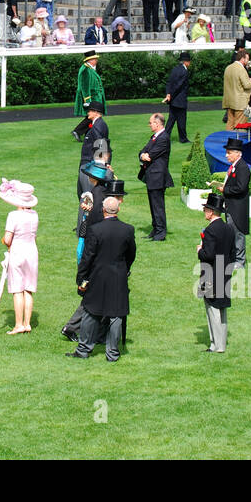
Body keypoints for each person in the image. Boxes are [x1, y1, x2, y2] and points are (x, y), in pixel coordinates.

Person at [67, 187, 136, 362]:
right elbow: (131, 254)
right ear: (118, 209)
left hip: (98, 275)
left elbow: (87, 257)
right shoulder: (127, 230)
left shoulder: (95, 230)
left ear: (103, 210)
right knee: (116, 315)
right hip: (118, 276)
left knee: (91, 312)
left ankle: (83, 350)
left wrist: (81, 277)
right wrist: (124, 268)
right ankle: (112, 353)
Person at [0, 178, 39, 335]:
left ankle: (18, 324)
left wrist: (4, 241)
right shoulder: (34, 215)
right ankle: (27, 323)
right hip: (32, 252)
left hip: (18, 252)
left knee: (17, 289)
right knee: (28, 289)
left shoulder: (13, 215)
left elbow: (7, 239)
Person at [197, 192, 236, 353]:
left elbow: (208, 255)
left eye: (206, 209)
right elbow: (233, 253)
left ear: (211, 211)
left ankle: (217, 345)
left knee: (212, 309)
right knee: (222, 309)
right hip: (225, 271)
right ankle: (219, 343)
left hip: (211, 272)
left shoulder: (211, 230)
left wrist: (200, 250)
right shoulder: (228, 228)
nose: (205, 211)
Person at [138, 112, 171, 241]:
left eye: (151, 122)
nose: (149, 125)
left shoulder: (163, 138)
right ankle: (156, 228)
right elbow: (142, 151)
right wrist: (143, 155)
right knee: (153, 205)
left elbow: (151, 154)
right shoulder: (155, 137)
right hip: (152, 176)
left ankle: (161, 232)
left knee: (158, 205)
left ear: (157, 124)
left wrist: (146, 155)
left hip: (158, 177)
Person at [221, 136, 251, 266]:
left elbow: (241, 187)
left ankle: (240, 260)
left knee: (238, 233)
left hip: (238, 207)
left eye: (229, 152)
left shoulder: (242, 167)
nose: (226, 155)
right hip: (231, 205)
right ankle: (234, 258)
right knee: (231, 233)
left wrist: (225, 190)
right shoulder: (235, 166)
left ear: (237, 153)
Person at [161, 53, 191, 143]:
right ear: (186, 62)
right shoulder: (184, 72)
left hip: (173, 100)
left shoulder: (175, 69)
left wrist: (168, 94)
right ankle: (183, 139)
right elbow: (179, 86)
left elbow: (169, 82)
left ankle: (164, 137)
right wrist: (171, 95)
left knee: (171, 120)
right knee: (181, 120)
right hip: (180, 100)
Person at [222, 49, 251, 130]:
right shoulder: (241, 69)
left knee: (230, 124)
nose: (248, 61)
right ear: (242, 59)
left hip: (229, 101)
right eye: (247, 58)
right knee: (240, 126)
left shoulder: (228, 68)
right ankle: (239, 142)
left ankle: (229, 141)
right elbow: (246, 85)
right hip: (240, 102)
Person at [73, 50, 104, 117]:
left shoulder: (89, 68)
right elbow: (84, 86)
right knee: (91, 119)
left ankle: (91, 127)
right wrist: (87, 100)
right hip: (92, 99)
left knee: (92, 119)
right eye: (95, 59)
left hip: (94, 98)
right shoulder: (85, 70)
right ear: (90, 60)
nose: (96, 60)